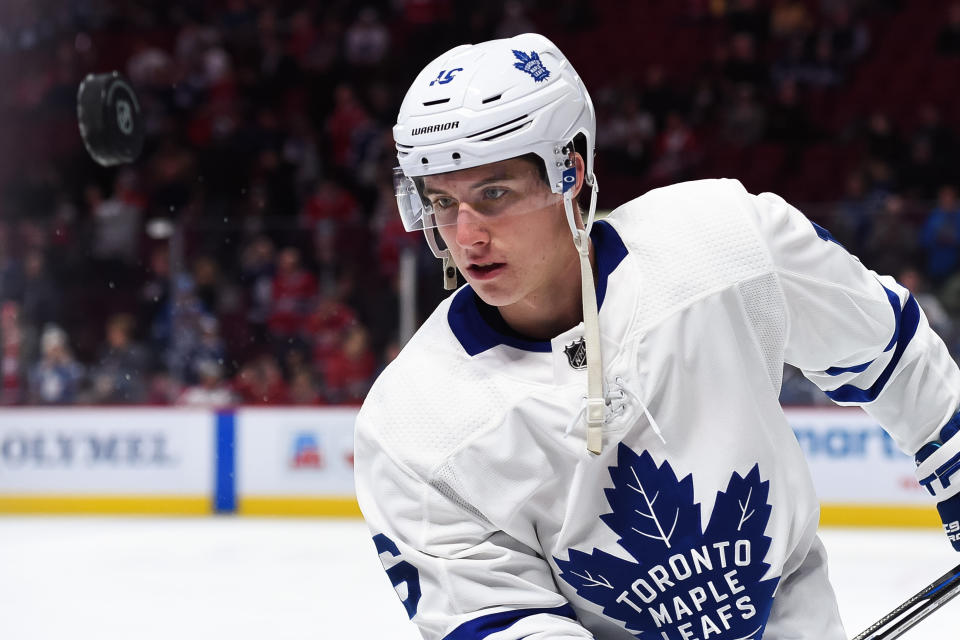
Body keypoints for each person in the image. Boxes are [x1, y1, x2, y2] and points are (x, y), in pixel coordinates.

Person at [354, 33, 960, 640]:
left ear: (571, 170)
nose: (467, 236)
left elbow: (897, 355)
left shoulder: (726, 243)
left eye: (494, 194)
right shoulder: (411, 427)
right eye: (442, 202)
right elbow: (505, 625)